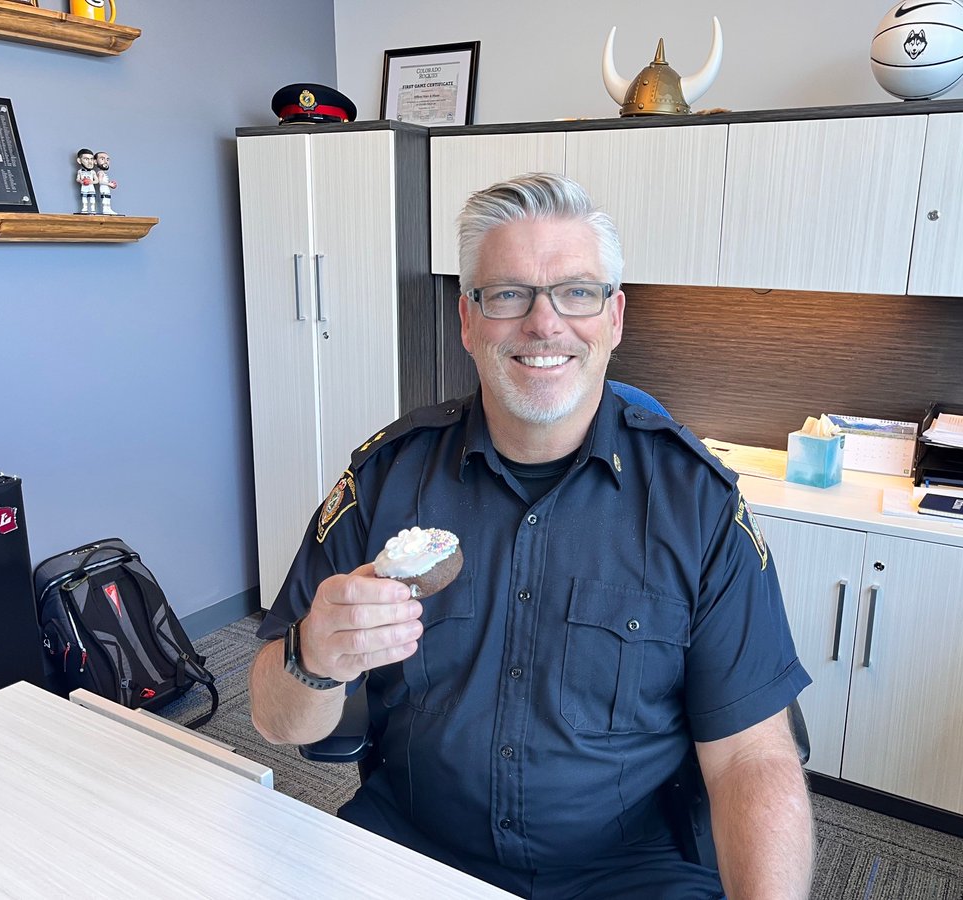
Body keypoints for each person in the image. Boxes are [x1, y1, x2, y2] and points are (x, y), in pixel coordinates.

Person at [249, 173, 814, 899]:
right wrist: (314, 656)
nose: (544, 325)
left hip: (634, 874)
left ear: (613, 317)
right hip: (412, 847)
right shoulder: (385, 480)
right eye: (508, 293)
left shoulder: (696, 504)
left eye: (576, 292)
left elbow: (750, 759)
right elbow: (274, 719)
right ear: (467, 320)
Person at [94, 151, 118, 215]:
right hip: (103, 188)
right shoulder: (100, 173)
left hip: (106, 188)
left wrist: (109, 184)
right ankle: (105, 209)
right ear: (95, 162)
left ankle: (108, 209)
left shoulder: (103, 173)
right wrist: (109, 184)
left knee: (107, 198)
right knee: (105, 198)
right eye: (102, 159)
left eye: (107, 159)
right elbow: (100, 181)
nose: (105, 161)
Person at [75, 148, 96, 214]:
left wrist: (90, 182)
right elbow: (77, 179)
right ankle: (84, 209)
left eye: (91, 159)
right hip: (84, 187)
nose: (90, 162)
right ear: (79, 160)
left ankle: (93, 209)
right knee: (84, 198)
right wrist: (81, 181)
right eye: (86, 159)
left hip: (91, 187)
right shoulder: (80, 171)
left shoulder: (93, 172)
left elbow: (97, 181)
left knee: (92, 198)